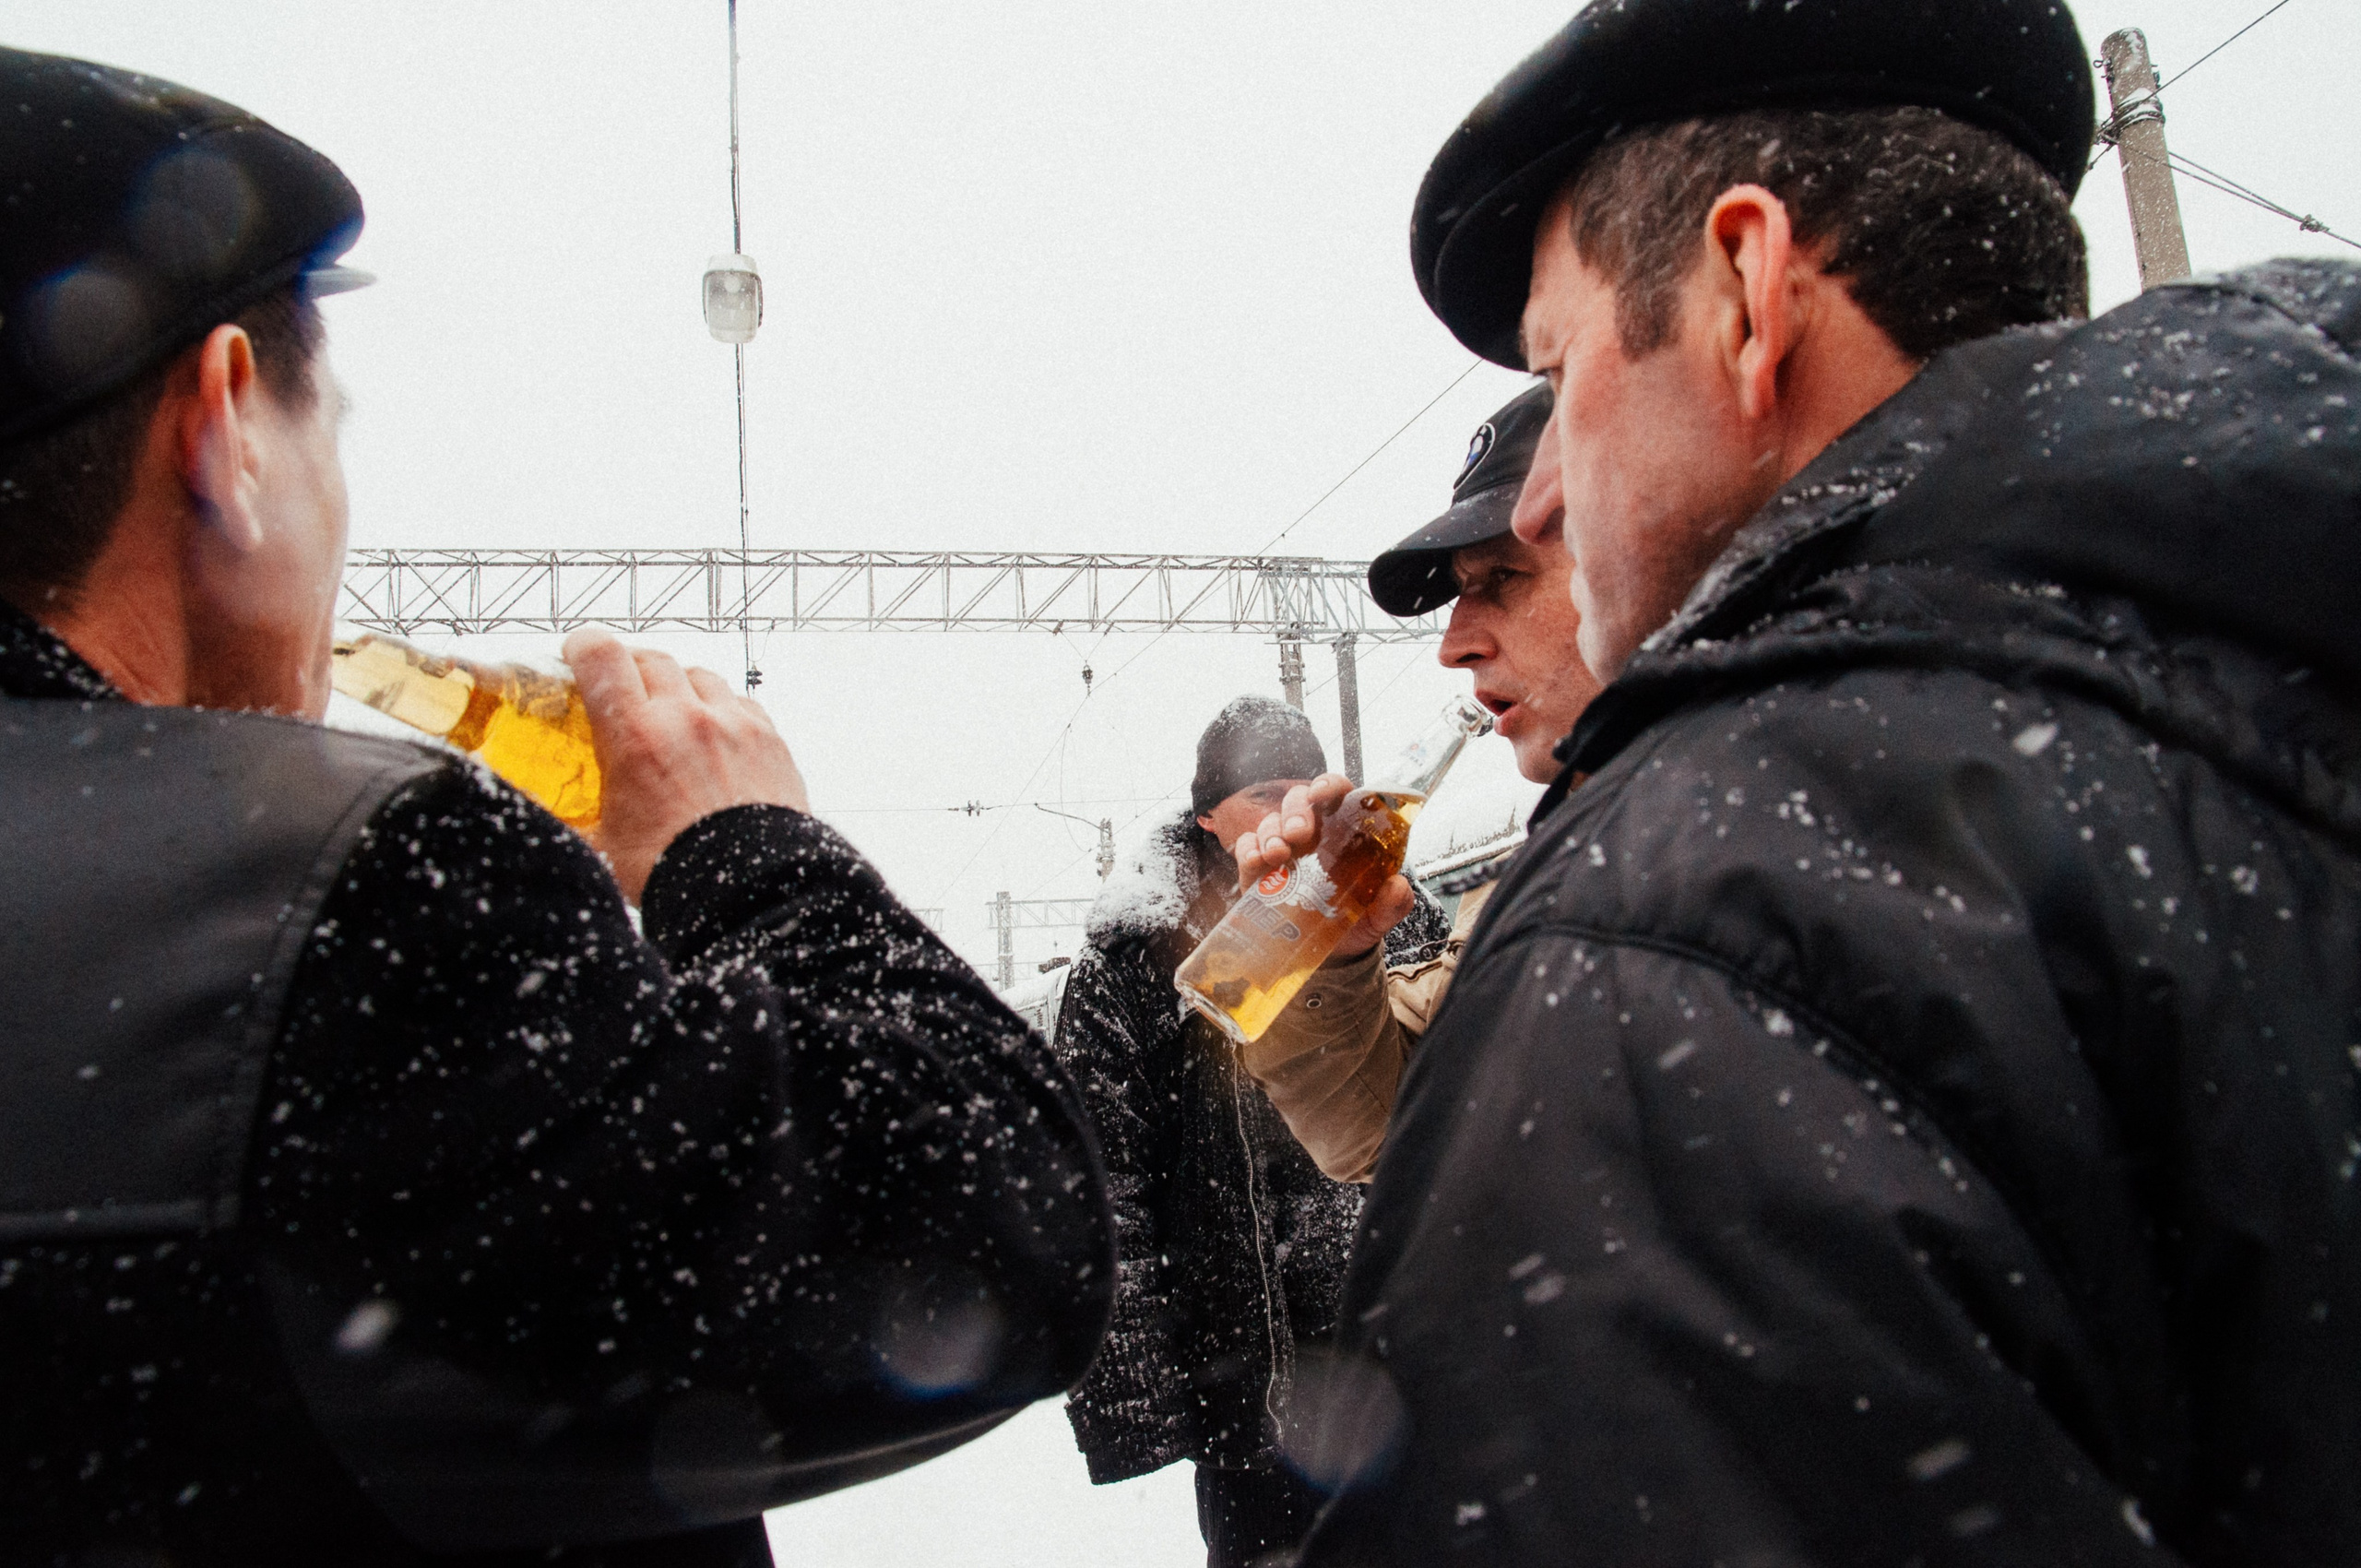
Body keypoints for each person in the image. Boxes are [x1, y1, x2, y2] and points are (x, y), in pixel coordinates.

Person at [0, 47, 1112, 1567]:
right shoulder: (334, 904)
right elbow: (994, 1234)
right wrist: (750, 852)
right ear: (227, 423)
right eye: (330, 433)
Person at [1287, 0, 2361, 1562]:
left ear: (1747, 287)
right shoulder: (2254, 673)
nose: (1536, 505)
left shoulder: (1693, 924)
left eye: (1562, 370)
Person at [1050, 695, 1446, 1568]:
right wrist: (1135, 1393)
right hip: (1248, 1377)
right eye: (1265, 793)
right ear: (1207, 816)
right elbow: (1101, 1180)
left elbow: (1451, 1105)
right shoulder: (1134, 962)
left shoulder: (1394, 913)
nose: (1293, 808)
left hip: (1393, 1352)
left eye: (1308, 788)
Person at [1232, 383, 1602, 1182]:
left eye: (1502, 576)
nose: (1452, 643)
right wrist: (1330, 960)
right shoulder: (1534, 879)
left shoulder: (1791, 826)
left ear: (1645, 549)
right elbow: (1387, 1134)